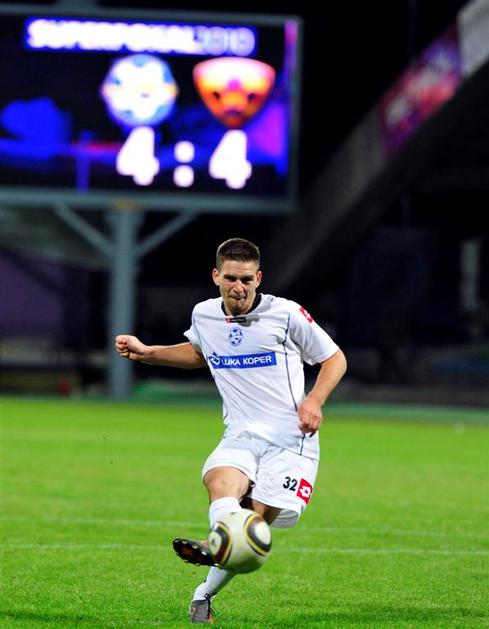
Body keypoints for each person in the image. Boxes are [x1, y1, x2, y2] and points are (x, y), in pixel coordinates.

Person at [115, 237, 347, 624]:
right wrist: (150, 353)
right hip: (241, 433)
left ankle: (203, 592)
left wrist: (314, 401)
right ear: (216, 276)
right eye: (230, 279)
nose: (238, 288)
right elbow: (199, 353)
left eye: (246, 280)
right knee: (219, 483)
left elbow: (335, 358)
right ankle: (217, 540)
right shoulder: (204, 315)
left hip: (291, 441)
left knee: (254, 524)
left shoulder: (285, 313)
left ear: (259, 278)